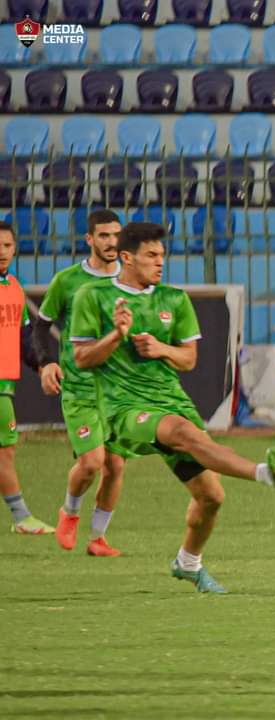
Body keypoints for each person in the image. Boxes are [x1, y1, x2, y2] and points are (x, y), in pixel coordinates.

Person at [69, 222, 275, 593]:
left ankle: (188, 563)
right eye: (151, 255)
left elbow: (189, 359)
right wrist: (116, 335)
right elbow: (81, 358)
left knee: (211, 497)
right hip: (124, 408)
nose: (160, 262)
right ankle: (263, 474)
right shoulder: (92, 296)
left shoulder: (174, 300)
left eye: (162, 255)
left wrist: (161, 349)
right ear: (127, 257)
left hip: (172, 400)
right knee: (181, 432)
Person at [35, 209, 127, 556]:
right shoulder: (67, 281)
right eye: (103, 235)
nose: (111, 242)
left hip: (118, 390)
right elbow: (41, 327)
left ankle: (98, 539)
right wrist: (46, 363)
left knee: (115, 465)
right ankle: (69, 511)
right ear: (89, 239)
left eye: (116, 235)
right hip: (80, 387)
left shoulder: (130, 279)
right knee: (91, 462)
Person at [0, 221, 54, 535]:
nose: (2, 251)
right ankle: (22, 517)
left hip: (6, 383)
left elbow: (24, 337)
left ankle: (22, 517)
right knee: (5, 449)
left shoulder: (14, 287)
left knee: (6, 450)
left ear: (15, 249)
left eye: (7, 245)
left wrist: (42, 365)